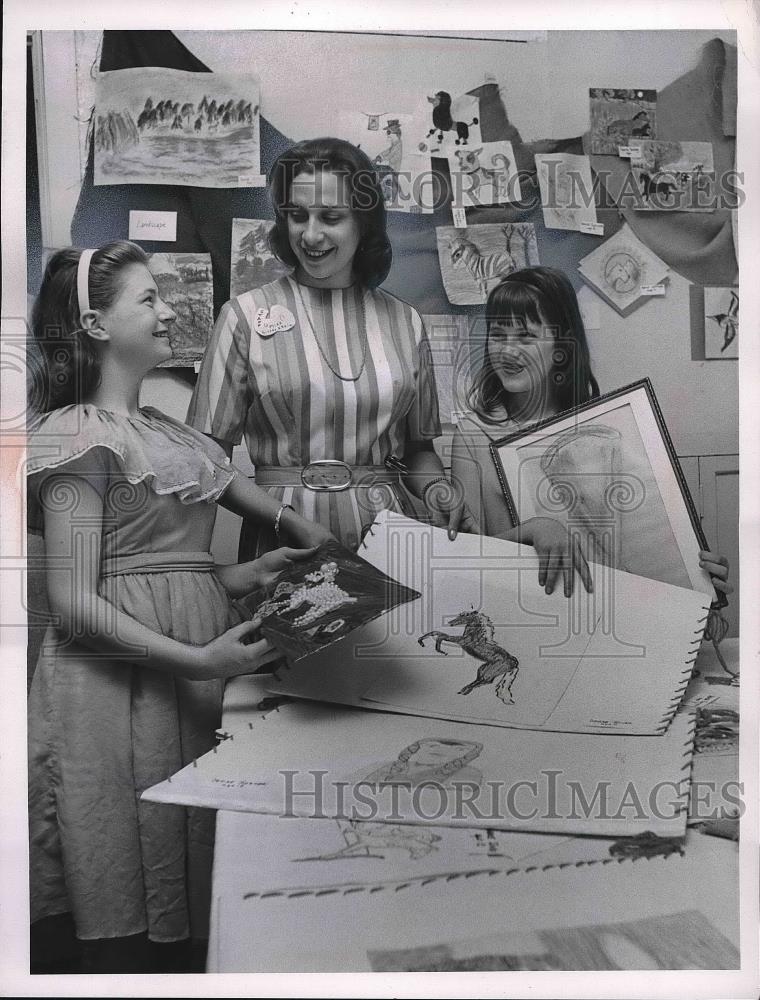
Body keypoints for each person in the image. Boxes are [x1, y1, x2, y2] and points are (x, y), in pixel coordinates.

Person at [26, 241, 329, 973]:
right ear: (96, 325)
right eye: (148, 300)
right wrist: (200, 658)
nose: (169, 311)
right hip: (116, 694)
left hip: (188, 682)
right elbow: (73, 603)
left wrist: (251, 569)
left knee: (195, 888)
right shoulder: (73, 438)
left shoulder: (169, 434)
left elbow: (171, 572)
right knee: (128, 891)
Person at [187, 137, 586, 593]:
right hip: (284, 542)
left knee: (389, 663)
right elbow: (205, 462)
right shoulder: (241, 317)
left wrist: (437, 490)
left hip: (390, 539)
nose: (311, 235)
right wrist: (285, 518)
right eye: (297, 216)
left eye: (331, 217)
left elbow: (419, 453)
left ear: (363, 222)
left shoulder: (405, 322)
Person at [449, 266, 732, 598]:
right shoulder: (472, 434)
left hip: (617, 615)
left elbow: (646, 537)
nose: (508, 351)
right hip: (527, 617)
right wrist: (536, 529)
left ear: (561, 346)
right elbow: (463, 554)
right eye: (498, 335)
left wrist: (697, 571)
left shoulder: (607, 428)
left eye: (526, 336)